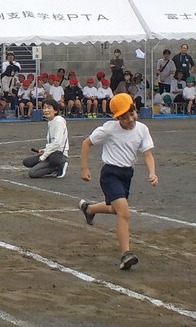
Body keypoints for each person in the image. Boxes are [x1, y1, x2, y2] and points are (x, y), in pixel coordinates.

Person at [78, 93, 158, 271]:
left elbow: (148, 154)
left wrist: (152, 173)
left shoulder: (142, 129)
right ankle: (125, 254)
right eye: (124, 117)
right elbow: (86, 143)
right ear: (117, 118)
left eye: (132, 114)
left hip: (127, 174)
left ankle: (89, 209)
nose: (130, 120)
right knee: (124, 214)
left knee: (116, 209)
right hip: (110, 174)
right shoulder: (109, 129)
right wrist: (84, 168)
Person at [23, 99, 69, 179]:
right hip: (51, 153)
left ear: (55, 111)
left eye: (49, 108)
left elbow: (57, 143)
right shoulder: (51, 122)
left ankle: (60, 165)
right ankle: (52, 167)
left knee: (32, 173)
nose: (46, 110)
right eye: (44, 108)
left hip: (58, 154)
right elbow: (52, 142)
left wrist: (44, 156)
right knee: (27, 162)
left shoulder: (59, 122)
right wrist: (44, 150)